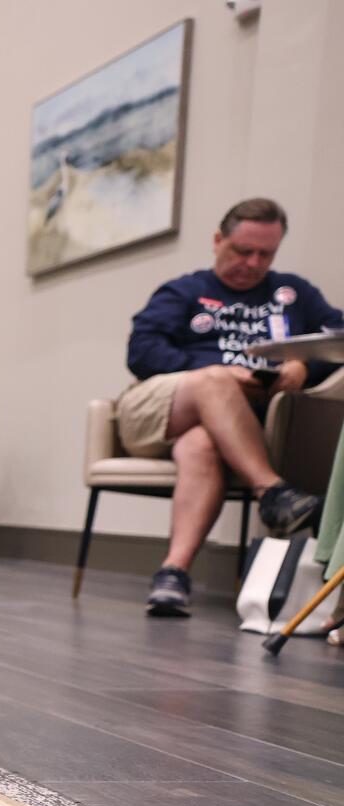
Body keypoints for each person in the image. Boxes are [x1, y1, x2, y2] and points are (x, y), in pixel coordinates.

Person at [119, 197, 340, 617]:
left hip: (229, 428)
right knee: (216, 381)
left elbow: (337, 339)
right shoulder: (184, 291)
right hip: (159, 412)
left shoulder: (294, 293)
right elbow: (142, 352)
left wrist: (301, 367)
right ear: (218, 240)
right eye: (243, 251)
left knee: (202, 443)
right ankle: (272, 491)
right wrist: (215, 373)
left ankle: (173, 574)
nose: (254, 263)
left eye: (265, 254)